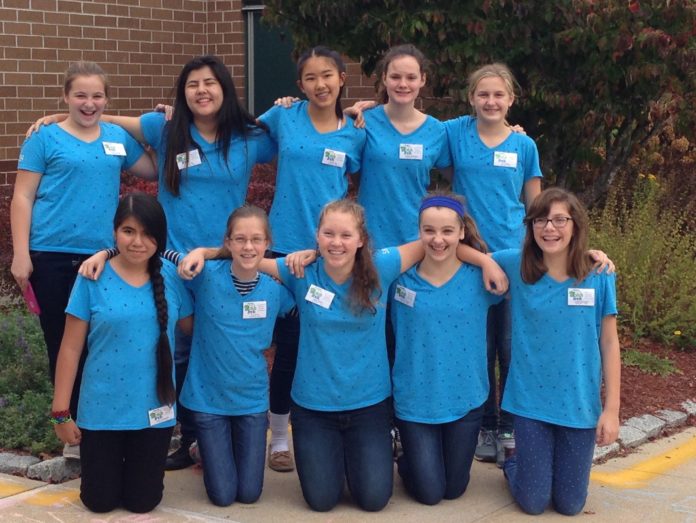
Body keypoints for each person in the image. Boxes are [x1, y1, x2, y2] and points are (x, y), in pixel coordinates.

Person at [181, 198, 508, 512]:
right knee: (321, 501)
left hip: (368, 406)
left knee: (373, 499)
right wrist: (206, 251)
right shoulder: (300, 272)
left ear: (361, 239)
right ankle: (342, 458)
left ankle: (373, 454)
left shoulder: (383, 266)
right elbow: (247, 258)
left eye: (345, 235)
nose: (336, 242)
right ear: (317, 237)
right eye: (329, 234)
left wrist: (486, 260)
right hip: (314, 407)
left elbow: (433, 242)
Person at [39, 55, 277, 469]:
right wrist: (61, 114)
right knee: (175, 348)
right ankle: (183, 435)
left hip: (225, 259)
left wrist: (350, 108)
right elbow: (102, 115)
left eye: (210, 83)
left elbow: (296, 131)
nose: (202, 91)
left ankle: (220, 433)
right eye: (192, 84)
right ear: (182, 94)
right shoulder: (164, 129)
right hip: (170, 260)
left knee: (222, 344)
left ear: (225, 89)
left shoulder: (248, 136)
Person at [11, 61, 156, 458]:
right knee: (62, 344)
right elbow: (22, 197)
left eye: (96, 96)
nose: (88, 103)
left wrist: (164, 125)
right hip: (53, 256)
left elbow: (156, 169)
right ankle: (71, 432)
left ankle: (103, 428)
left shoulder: (116, 137)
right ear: (65, 97)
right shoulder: (44, 139)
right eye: (80, 95)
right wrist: (21, 255)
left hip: (103, 258)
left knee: (101, 345)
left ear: (106, 100)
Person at [258, 46, 367, 472]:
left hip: (332, 254)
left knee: (328, 343)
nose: (320, 85)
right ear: (299, 85)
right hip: (284, 252)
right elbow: (231, 131)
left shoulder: (357, 133)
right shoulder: (283, 116)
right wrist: (167, 117)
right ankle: (279, 437)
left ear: (342, 78)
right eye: (310, 78)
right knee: (287, 346)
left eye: (328, 76)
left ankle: (332, 427)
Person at [50, 193, 193, 513]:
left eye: (147, 233)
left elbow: (193, 328)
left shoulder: (171, 276)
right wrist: (60, 411)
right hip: (102, 411)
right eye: (128, 231)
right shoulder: (92, 276)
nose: (138, 241)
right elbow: (70, 349)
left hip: (153, 412)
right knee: (98, 503)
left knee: (143, 503)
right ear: (114, 231)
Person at [493, 187, 620, 516]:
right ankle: (513, 461)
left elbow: (609, 342)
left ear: (575, 225)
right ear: (531, 227)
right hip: (530, 402)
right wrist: (483, 262)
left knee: (570, 505)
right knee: (534, 502)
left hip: (577, 405)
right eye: (540, 220)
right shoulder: (518, 267)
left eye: (560, 220)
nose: (549, 228)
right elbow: (463, 254)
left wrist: (611, 409)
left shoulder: (599, 276)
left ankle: (540, 466)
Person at [444, 63, 543, 465]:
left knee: (510, 346)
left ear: (511, 100)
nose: (491, 101)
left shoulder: (524, 146)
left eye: (498, 95)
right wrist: (360, 106)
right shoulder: (454, 133)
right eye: (483, 94)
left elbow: (537, 207)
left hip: (514, 259)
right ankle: (485, 425)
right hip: (468, 257)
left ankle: (510, 427)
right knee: (478, 348)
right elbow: (407, 123)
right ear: (471, 99)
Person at [390, 192, 503, 505]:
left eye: (447, 231)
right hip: (414, 400)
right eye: (429, 231)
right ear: (419, 232)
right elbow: (348, 261)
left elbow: (540, 262)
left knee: (453, 489)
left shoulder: (481, 278)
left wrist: (589, 255)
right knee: (429, 493)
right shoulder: (398, 278)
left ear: (462, 232)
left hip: (464, 398)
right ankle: (407, 457)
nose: (438, 239)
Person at [178, 205, 294, 506]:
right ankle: (204, 446)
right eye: (240, 239)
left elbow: (312, 295)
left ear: (268, 243)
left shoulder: (275, 290)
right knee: (223, 495)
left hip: (251, 401)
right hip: (208, 398)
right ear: (227, 242)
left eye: (256, 239)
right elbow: (160, 258)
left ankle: (218, 448)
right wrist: (200, 252)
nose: (248, 246)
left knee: (249, 494)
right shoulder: (206, 276)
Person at [356, 44, 450, 250]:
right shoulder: (363, 122)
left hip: (415, 238)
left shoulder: (437, 131)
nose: (403, 84)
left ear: (422, 80)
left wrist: (508, 129)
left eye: (411, 77)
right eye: (396, 77)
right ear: (384, 78)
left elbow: (462, 173)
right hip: (368, 237)